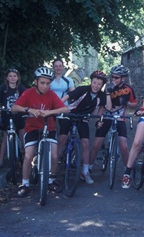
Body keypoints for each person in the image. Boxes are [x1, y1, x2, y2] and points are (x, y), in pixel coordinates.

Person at [11, 67, 69, 197]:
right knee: (28, 156)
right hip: (31, 128)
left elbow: (65, 109)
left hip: (49, 128)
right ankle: (25, 183)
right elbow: (14, 107)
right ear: (35, 82)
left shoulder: (51, 94)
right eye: (42, 83)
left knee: (54, 156)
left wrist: (50, 112)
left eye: (48, 83)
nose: (45, 86)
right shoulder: (28, 93)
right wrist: (29, 110)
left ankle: (51, 180)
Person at [57, 70, 111, 184]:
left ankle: (85, 172)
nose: (96, 86)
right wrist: (57, 107)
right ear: (91, 81)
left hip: (83, 118)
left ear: (102, 85)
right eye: (94, 82)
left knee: (86, 143)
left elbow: (101, 108)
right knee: (62, 139)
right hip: (70, 114)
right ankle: (53, 168)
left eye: (99, 84)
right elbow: (66, 97)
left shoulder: (101, 95)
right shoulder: (82, 90)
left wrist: (98, 120)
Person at [89, 65, 137, 177]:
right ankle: (88, 168)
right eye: (112, 77)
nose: (113, 80)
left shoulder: (128, 89)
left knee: (124, 146)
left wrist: (127, 103)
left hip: (120, 118)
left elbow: (135, 104)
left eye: (116, 77)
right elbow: (101, 106)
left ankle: (127, 172)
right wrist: (98, 119)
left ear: (123, 79)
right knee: (96, 144)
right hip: (106, 116)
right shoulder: (107, 87)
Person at [0, 69, 26, 168]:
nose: (12, 78)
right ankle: (1, 159)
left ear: (18, 77)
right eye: (10, 76)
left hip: (18, 115)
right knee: (5, 137)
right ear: (7, 78)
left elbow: (26, 99)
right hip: (6, 115)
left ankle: (26, 158)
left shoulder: (21, 88)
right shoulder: (3, 88)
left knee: (22, 136)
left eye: (14, 76)